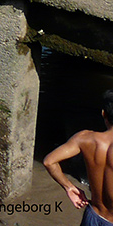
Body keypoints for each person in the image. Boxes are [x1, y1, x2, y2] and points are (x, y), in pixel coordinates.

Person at [44, 90, 113, 225]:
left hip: (93, 216)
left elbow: (49, 161)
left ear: (103, 113)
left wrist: (69, 187)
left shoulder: (84, 138)